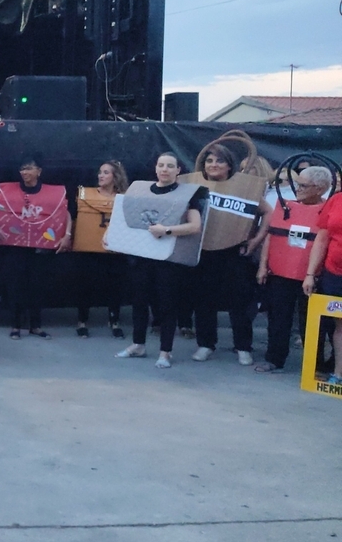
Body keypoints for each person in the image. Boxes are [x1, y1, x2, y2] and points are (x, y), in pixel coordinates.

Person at [180, 140, 271, 365]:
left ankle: (243, 347)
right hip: (203, 250)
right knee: (203, 299)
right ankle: (205, 344)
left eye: (219, 161)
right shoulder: (195, 187)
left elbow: (268, 212)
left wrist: (256, 239)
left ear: (229, 165)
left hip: (234, 251)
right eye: (209, 160)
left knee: (239, 301)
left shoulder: (243, 188)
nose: (213, 164)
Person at [113, 152, 206, 368]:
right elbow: (124, 217)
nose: (165, 169)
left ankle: (165, 352)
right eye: (161, 165)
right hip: (142, 256)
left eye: (170, 166)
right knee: (139, 302)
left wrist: (167, 230)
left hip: (168, 258)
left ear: (178, 170)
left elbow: (195, 226)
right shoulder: (140, 190)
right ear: (155, 168)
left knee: (167, 305)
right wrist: (112, 236)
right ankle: (138, 344)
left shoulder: (187, 194)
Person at [0, 154, 72, 340]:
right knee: (15, 286)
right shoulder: (7, 191)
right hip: (15, 248)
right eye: (22, 169)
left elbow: (64, 212)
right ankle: (16, 326)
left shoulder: (52, 194)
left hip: (39, 248)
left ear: (38, 171)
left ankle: (36, 326)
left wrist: (67, 235)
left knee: (37, 286)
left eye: (28, 168)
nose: (24, 172)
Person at [255, 166, 331, 373]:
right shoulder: (284, 206)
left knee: (313, 322)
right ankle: (274, 358)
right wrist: (263, 266)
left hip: (313, 275)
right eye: (298, 184)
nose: (298, 189)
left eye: (303, 185)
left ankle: (315, 364)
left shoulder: (328, 210)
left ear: (320, 188)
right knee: (278, 317)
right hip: (280, 272)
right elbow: (272, 236)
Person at [72, 160, 129, 338]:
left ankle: (114, 321)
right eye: (100, 172)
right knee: (85, 285)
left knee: (115, 287)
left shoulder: (125, 197)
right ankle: (82, 321)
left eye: (106, 172)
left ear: (115, 176)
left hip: (114, 250)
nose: (101, 175)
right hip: (88, 248)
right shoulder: (84, 193)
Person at [303, 173, 342, 383]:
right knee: (339, 325)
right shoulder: (336, 200)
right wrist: (310, 274)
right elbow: (322, 239)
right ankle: (338, 374)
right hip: (334, 273)